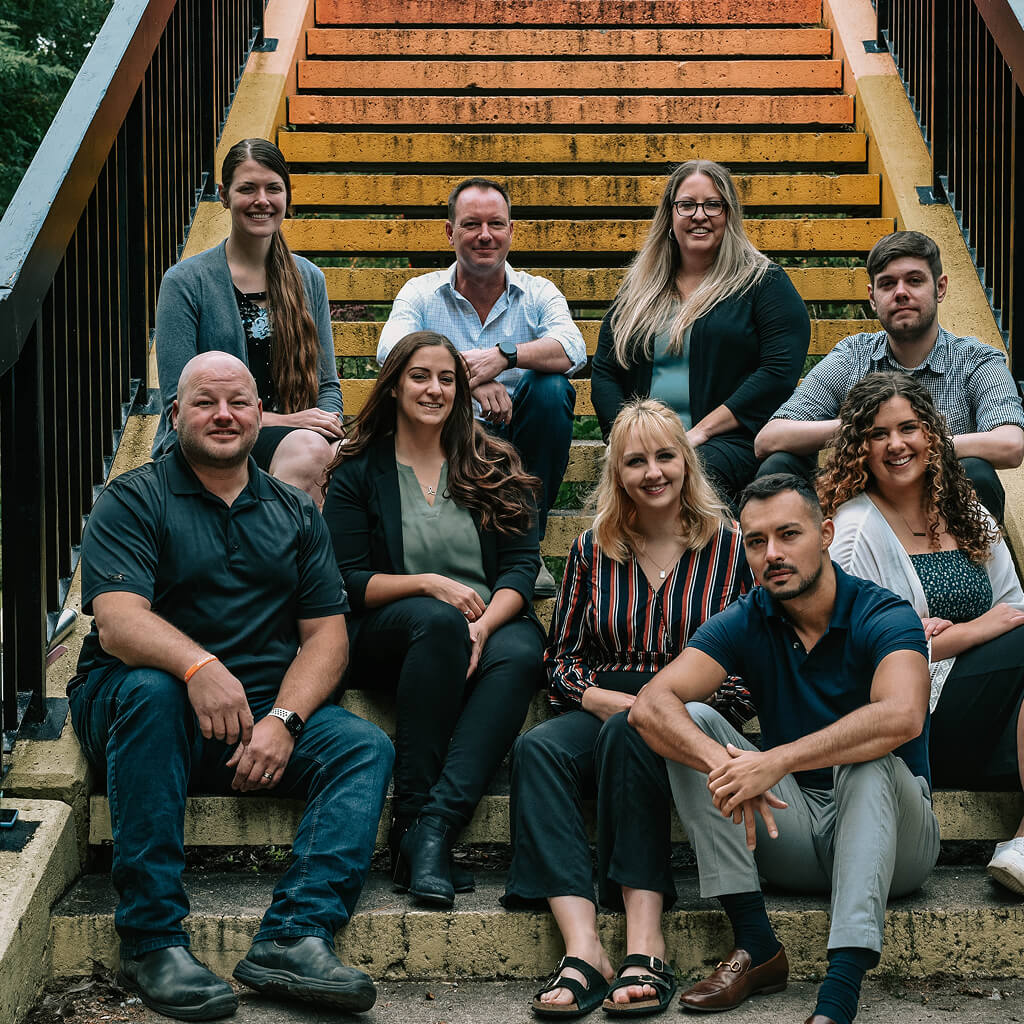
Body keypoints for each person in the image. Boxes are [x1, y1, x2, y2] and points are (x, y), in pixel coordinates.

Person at [67, 352, 393, 1019]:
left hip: (257, 718)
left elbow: (327, 638)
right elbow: (118, 622)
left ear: (258, 415)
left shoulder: (294, 513)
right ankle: (152, 940)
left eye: (240, 402)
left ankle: (292, 938)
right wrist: (198, 668)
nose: (224, 415)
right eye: (207, 401)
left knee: (364, 747)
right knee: (152, 693)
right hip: (143, 715)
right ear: (176, 413)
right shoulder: (134, 498)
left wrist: (285, 720)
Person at [630, 473, 939, 1024]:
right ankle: (757, 945)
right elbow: (650, 705)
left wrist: (777, 759)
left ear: (825, 533)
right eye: (755, 541)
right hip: (787, 828)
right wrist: (722, 762)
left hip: (897, 843)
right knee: (695, 720)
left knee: (866, 759)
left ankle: (839, 995)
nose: (772, 554)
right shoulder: (752, 616)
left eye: (789, 534)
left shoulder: (882, 613)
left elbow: (903, 715)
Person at [503, 399, 753, 1018]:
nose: (653, 472)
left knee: (633, 735)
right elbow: (559, 657)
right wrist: (603, 697)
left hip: (690, 713)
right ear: (616, 472)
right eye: (635, 461)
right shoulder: (594, 547)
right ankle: (585, 947)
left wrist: (660, 707)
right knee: (537, 748)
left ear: (687, 463)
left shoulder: (729, 546)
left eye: (666, 456)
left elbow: (751, 670)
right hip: (603, 701)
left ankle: (646, 939)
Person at [323, 330, 545, 910]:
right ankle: (411, 813)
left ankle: (432, 830)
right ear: (395, 384)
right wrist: (429, 584)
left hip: (482, 621)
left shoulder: (493, 462)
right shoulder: (357, 470)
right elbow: (347, 581)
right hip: (389, 627)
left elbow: (521, 568)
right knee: (435, 619)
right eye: (420, 376)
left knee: (523, 651)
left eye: (447, 378)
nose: (434, 388)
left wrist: (485, 625)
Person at [821, 372, 1024, 895]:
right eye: (877, 433)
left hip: (989, 713)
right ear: (858, 447)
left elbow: (1014, 607)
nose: (896, 444)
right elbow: (856, 656)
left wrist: (958, 633)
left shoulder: (965, 510)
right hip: (921, 720)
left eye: (908, 428)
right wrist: (967, 633)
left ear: (930, 435)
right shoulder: (854, 531)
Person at [377, 177, 587, 595]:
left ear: (511, 230)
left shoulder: (538, 291)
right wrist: (468, 379)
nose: (485, 235)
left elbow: (573, 349)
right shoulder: (421, 291)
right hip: (445, 434)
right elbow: (389, 351)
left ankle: (528, 543)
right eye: (472, 224)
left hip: (520, 434)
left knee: (552, 390)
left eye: (496, 224)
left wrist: (505, 356)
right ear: (450, 232)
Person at [754, 230, 1024, 521]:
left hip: (942, 512)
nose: (901, 292)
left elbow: (1010, 444)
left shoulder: (976, 359)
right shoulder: (853, 355)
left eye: (915, 280)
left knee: (977, 472)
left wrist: (917, 444)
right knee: (779, 465)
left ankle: (967, 566)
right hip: (860, 507)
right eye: (887, 284)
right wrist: (863, 428)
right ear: (873, 297)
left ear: (940, 287)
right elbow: (769, 439)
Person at [590, 159, 810, 511]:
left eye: (713, 204)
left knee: (693, 471)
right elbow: (605, 369)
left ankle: (711, 566)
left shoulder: (763, 283)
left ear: (729, 215)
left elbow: (778, 372)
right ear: (670, 215)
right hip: (646, 443)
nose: (699, 215)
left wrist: (702, 432)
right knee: (650, 472)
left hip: (731, 440)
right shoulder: (640, 288)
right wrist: (628, 436)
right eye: (687, 205)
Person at [153, 138, 344, 505]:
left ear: (287, 194)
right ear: (224, 195)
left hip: (296, 439)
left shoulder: (308, 278)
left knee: (349, 456)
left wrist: (327, 424)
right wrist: (291, 423)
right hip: (212, 438)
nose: (262, 200)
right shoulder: (186, 282)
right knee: (309, 448)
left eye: (273, 188)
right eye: (247, 189)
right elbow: (179, 403)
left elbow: (328, 384)